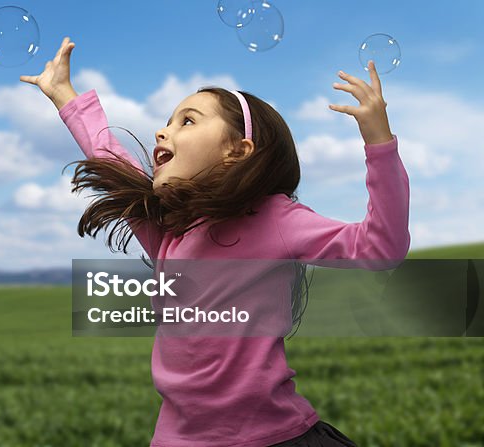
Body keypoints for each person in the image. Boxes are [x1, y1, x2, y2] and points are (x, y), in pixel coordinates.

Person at [20, 37, 410, 446]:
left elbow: (381, 248)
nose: (162, 131)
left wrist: (379, 144)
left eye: (186, 121)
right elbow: (111, 159)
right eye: (168, 122)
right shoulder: (168, 228)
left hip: (276, 437)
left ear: (236, 151)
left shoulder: (274, 218)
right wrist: (64, 92)